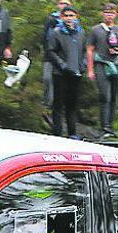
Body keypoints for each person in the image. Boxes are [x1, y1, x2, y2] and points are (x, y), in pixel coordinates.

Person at [86, 3, 118, 139]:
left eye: (111, 13)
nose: (109, 15)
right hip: (100, 64)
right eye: (106, 13)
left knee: (114, 96)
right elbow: (90, 49)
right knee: (105, 96)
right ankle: (104, 126)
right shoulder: (96, 30)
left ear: (116, 15)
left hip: (116, 65)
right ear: (102, 14)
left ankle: (110, 126)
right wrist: (90, 69)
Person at [47, 7, 85, 139]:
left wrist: (83, 65)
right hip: (60, 74)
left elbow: (85, 51)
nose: (69, 18)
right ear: (62, 17)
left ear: (76, 16)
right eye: (66, 16)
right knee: (58, 104)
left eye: (72, 15)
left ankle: (72, 133)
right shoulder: (56, 32)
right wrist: (63, 66)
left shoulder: (81, 32)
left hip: (76, 73)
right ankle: (57, 133)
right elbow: (51, 52)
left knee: (72, 105)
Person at [42, 0, 73, 125]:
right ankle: (47, 108)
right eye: (61, 3)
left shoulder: (74, 23)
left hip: (66, 59)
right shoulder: (51, 20)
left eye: (66, 3)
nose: (63, 5)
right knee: (47, 79)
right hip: (50, 57)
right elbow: (45, 37)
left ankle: (61, 116)